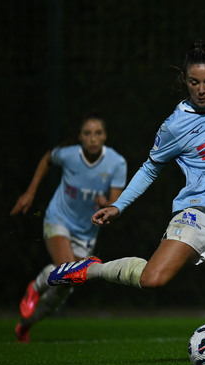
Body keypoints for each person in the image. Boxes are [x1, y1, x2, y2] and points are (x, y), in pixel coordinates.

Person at [47, 40, 205, 365]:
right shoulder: (175, 125)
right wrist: (118, 205)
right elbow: (151, 167)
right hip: (198, 214)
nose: (202, 89)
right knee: (153, 279)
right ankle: (91, 269)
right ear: (185, 80)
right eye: (194, 82)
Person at [11, 113, 127, 342]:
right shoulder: (69, 155)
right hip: (59, 219)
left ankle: (25, 325)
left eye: (98, 133)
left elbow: (115, 201)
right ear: (80, 137)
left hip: (86, 232)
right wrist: (31, 191)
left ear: (105, 136)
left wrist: (106, 205)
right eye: (87, 133)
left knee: (66, 285)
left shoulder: (117, 162)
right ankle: (34, 288)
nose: (93, 138)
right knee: (66, 268)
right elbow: (47, 159)